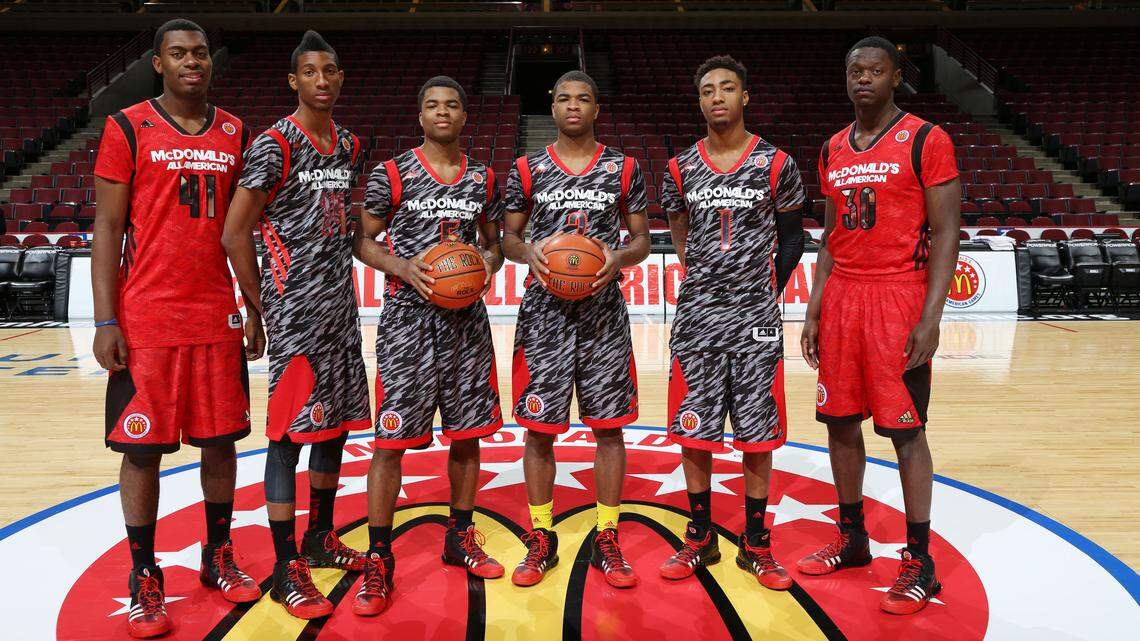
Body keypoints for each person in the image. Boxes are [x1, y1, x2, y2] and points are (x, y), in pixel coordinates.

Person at [92, 18, 259, 638]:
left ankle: (217, 558)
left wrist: (253, 304)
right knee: (142, 454)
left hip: (216, 313)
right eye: (179, 54)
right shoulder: (127, 126)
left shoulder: (236, 131)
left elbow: (242, 230)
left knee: (220, 442)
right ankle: (144, 575)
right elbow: (108, 229)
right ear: (158, 62)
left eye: (200, 54)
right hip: (147, 320)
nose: (193, 62)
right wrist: (107, 318)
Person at [797, 36, 961, 615]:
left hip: (898, 297)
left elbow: (947, 234)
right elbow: (831, 238)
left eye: (875, 70)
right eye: (855, 71)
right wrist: (815, 307)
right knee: (839, 423)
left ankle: (921, 561)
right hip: (843, 297)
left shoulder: (926, 139)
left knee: (906, 432)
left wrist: (931, 315)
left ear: (896, 77)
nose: (863, 79)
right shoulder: (832, 148)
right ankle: (853, 537)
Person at [221, 30, 370, 620]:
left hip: (340, 309)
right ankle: (286, 566)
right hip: (293, 316)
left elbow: (346, 227)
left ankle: (321, 538)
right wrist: (260, 307)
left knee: (331, 429)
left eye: (331, 70)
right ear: (294, 81)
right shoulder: (274, 144)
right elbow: (236, 232)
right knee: (285, 439)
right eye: (311, 72)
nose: (323, 80)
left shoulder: (350, 144)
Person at [352, 76, 506, 617]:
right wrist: (401, 266)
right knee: (389, 444)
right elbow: (363, 240)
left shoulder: (484, 179)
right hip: (406, 324)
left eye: (453, 105)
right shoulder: (390, 174)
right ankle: (378, 556)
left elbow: (495, 246)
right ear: (420, 117)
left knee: (467, 437)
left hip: (466, 325)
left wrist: (482, 268)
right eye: (433, 106)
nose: (443, 113)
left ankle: (459, 536)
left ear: (466, 116)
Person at [657, 55, 805, 590]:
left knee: (758, 431)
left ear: (746, 97)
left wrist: (763, 289)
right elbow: (677, 228)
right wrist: (701, 275)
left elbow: (793, 238)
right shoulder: (680, 167)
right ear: (699, 102)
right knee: (693, 429)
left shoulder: (776, 163)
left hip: (755, 315)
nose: (716, 97)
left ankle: (756, 542)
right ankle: (700, 536)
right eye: (707, 91)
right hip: (698, 313)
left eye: (727, 89)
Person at [500, 70, 651, 589]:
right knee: (539, 431)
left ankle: (607, 533)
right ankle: (541, 535)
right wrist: (531, 254)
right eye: (562, 97)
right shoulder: (527, 168)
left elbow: (641, 240)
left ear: (595, 108)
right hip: (544, 315)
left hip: (603, 312)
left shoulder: (625, 167)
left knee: (610, 428)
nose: (571, 106)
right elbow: (508, 239)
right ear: (553, 104)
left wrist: (619, 257)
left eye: (582, 98)